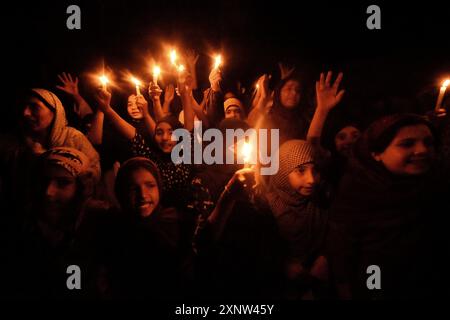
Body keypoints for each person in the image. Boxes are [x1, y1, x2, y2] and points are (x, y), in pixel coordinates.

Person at [327, 113, 450, 299]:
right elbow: (344, 251)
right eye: (407, 144)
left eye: (428, 142)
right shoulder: (358, 192)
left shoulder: (437, 185)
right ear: (376, 153)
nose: (422, 150)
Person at [9, 147, 108, 299]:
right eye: (45, 180)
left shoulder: (97, 223)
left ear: (80, 188)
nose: (48, 191)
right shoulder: (23, 223)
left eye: (63, 183)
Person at [104, 157, 195, 299]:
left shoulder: (176, 222)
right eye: (133, 188)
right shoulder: (113, 229)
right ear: (121, 192)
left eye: (150, 185)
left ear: (159, 186)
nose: (142, 195)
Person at [266, 140, 331, 299]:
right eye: (300, 171)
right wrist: (283, 264)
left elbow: (337, 232)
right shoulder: (267, 207)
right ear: (282, 172)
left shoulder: (322, 198)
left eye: (315, 170)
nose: (311, 180)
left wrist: (326, 256)